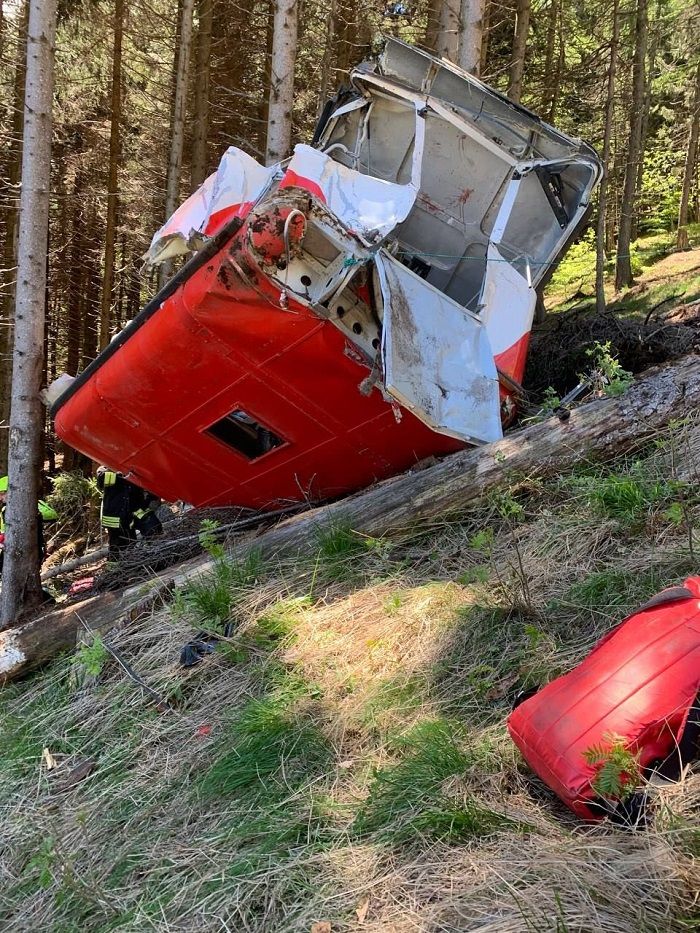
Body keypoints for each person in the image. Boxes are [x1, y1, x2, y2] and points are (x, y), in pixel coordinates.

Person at [96, 467, 163, 557]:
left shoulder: (136, 466)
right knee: (121, 545)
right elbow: (101, 482)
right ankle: (116, 566)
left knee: (153, 526)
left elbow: (148, 482)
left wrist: (151, 497)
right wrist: (119, 474)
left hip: (136, 509)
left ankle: (155, 553)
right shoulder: (106, 469)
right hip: (117, 516)